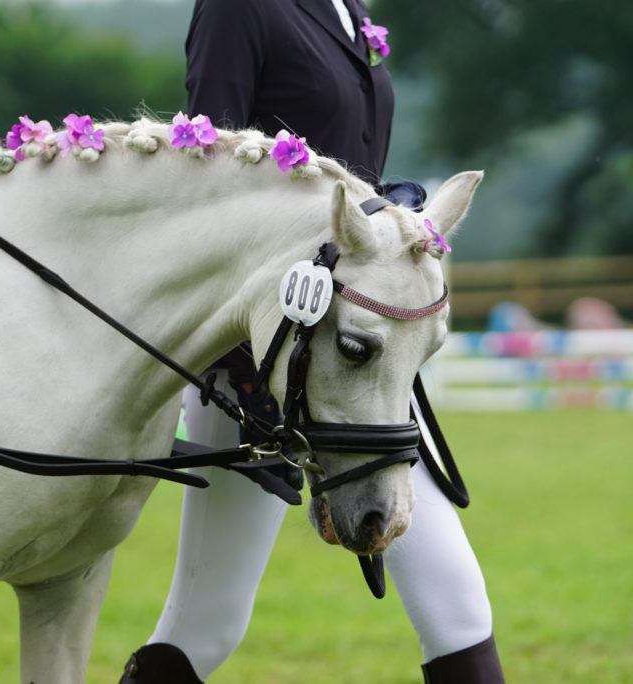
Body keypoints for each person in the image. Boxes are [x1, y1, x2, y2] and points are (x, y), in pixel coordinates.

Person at [119, 1, 506, 682]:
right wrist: (244, 363)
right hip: (259, 364)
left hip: (364, 357)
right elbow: (204, 178)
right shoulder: (238, 9)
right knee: (207, 625)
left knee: (460, 612)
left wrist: (389, 219)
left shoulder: (348, 9)